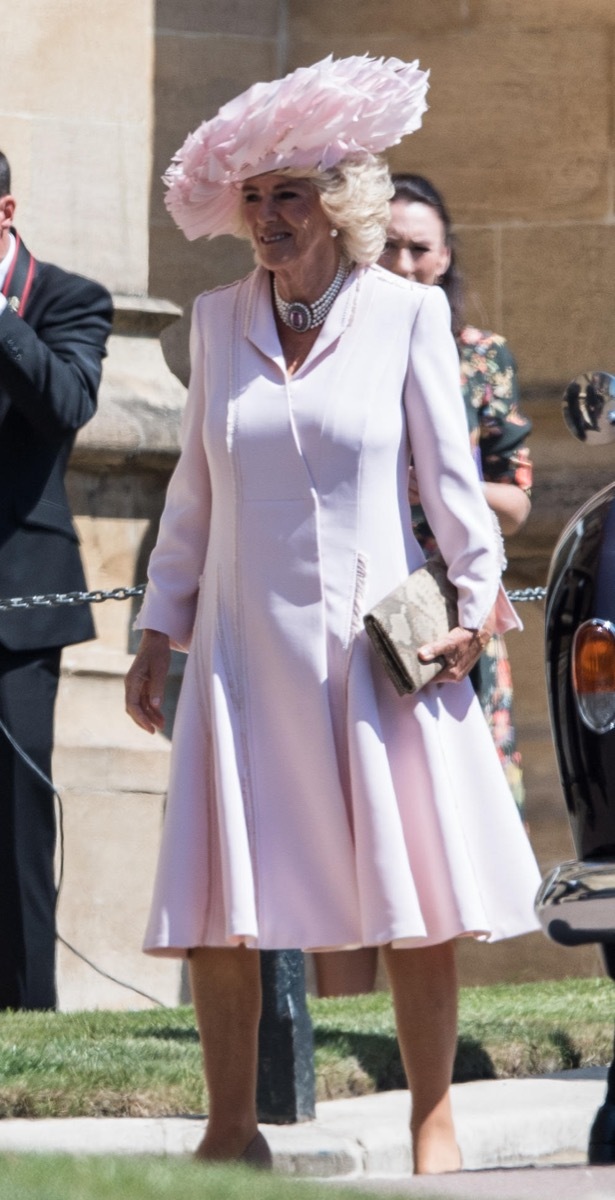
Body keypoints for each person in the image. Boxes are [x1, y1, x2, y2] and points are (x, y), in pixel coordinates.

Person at [125, 56, 542, 1176]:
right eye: (253, 198)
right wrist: (157, 631)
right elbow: (193, 494)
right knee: (224, 897)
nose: (266, 218)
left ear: (341, 204)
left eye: (289, 196)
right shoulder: (217, 321)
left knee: (413, 895)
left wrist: (474, 605)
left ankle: (431, 1118)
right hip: (239, 651)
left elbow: (455, 488)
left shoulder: (405, 314)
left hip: (375, 650)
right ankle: (230, 1128)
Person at [314, 173, 534, 999]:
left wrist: (434, 473)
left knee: (433, 821)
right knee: (344, 821)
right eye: (391, 245)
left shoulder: (477, 355)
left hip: (444, 607)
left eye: (421, 248)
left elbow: (514, 495)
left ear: (445, 259)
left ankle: (419, 1021)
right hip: (349, 603)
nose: (405, 262)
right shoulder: (334, 340)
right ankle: (347, 1011)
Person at [0, 150, 113, 1010]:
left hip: (18, 604)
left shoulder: (68, 299)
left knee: (14, 819)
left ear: (4, 214)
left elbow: (69, 403)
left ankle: (27, 1009)